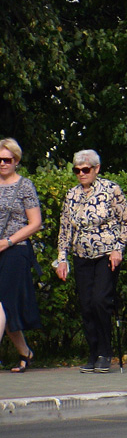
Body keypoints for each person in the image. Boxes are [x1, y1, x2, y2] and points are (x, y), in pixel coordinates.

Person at [55, 150, 127, 373]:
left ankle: (105, 351)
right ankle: (93, 352)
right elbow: (65, 229)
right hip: (82, 255)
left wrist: (118, 248)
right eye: (77, 170)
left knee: (100, 300)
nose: (81, 173)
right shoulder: (72, 195)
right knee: (87, 305)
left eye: (86, 169)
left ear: (96, 169)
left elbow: (126, 222)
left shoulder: (111, 190)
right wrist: (62, 259)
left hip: (107, 254)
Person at [0, 137, 42, 372]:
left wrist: (7, 242)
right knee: (6, 309)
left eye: (7, 159)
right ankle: (25, 352)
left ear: (16, 160)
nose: (3, 164)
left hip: (16, 250)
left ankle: (25, 353)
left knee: (3, 304)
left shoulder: (24, 186)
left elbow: (35, 223)